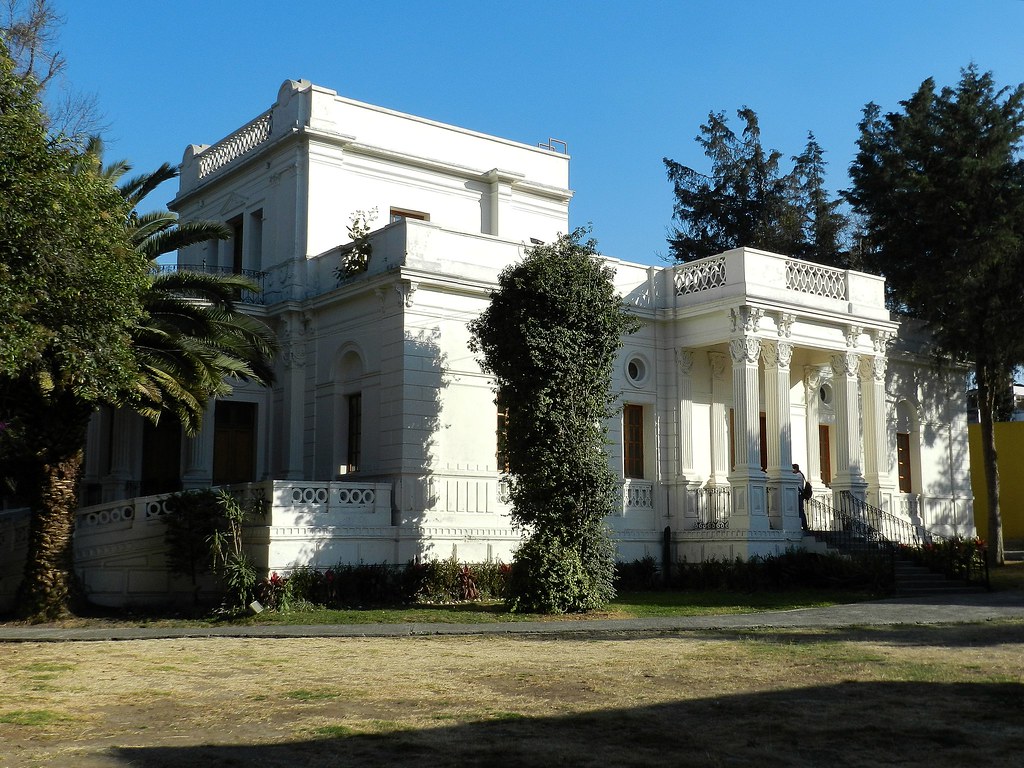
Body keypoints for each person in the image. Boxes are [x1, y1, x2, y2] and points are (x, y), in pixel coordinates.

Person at [793, 463, 809, 532]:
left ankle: (804, 525)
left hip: (799, 494)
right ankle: (803, 524)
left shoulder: (798, 475)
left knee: (800, 510)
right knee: (800, 510)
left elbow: (792, 479)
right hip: (799, 494)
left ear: (795, 469)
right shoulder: (800, 474)